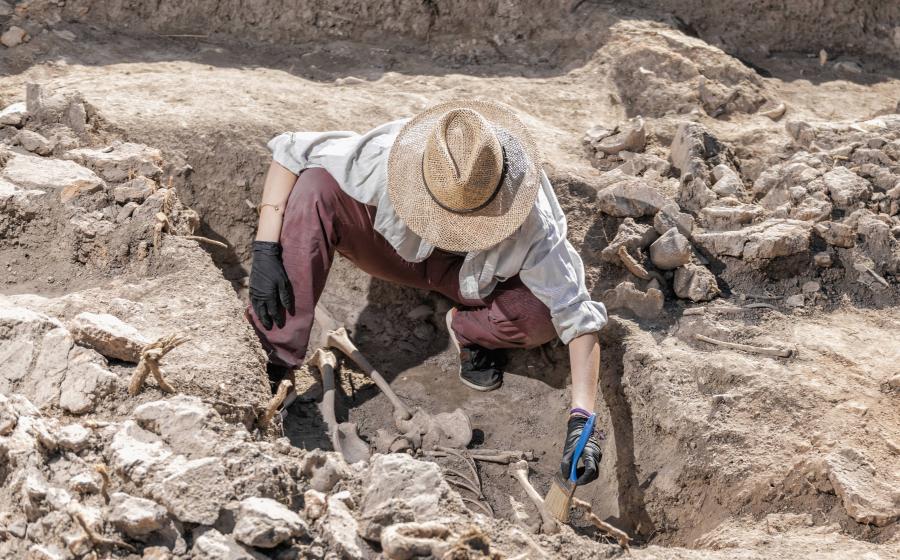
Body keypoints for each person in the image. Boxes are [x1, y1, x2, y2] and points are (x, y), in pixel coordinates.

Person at [248, 99, 605, 486]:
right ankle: (275, 361)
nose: (454, 229)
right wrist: (266, 248)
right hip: (392, 253)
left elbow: (577, 315)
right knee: (316, 187)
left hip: (474, 278)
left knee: (539, 316)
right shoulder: (387, 155)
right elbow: (290, 150)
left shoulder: (532, 218)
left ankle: (468, 329)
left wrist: (582, 421)